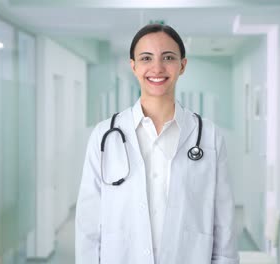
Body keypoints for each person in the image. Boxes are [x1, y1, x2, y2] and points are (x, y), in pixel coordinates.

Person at [75, 23, 239, 264]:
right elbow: (88, 225)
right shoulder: (104, 136)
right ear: (133, 66)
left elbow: (224, 224)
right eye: (146, 58)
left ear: (182, 65)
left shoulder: (209, 136)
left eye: (168, 57)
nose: (157, 68)